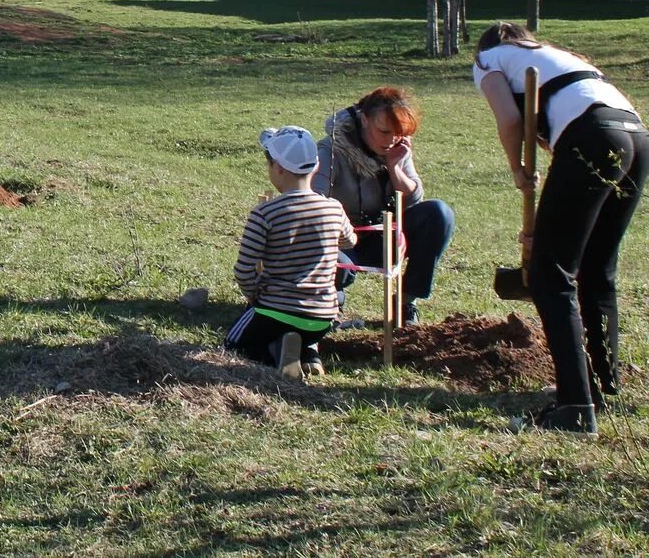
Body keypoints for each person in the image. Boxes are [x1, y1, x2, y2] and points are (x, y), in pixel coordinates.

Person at [474, 22, 648, 435]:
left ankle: (573, 406)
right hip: (636, 138)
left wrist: (517, 168)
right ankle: (605, 387)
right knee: (596, 268)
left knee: (552, 276)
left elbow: (511, 118)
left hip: (595, 136)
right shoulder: (556, 57)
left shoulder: (488, 60)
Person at [316, 88, 455, 326]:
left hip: (383, 234)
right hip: (340, 238)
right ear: (364, 119)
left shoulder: (397, 148)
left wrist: (394, 168)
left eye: (398, 133)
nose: (391, 139)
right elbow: (312, 201)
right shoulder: (331, 149)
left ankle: (405, 303)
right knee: (333, 257)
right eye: (384, 131)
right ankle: (329, 305)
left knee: (439, 214)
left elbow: (413, 200)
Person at [227, 127, 357, 380]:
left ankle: (274, 354)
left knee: (232, 346)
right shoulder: (333, 208)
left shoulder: (264, 214)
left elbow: (244, 271)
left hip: (274, 312)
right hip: (322, 319)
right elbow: (350, 241)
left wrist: (254, 297)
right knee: (302, 330)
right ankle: (308, 353)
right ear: (316, 166)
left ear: (277, 168)